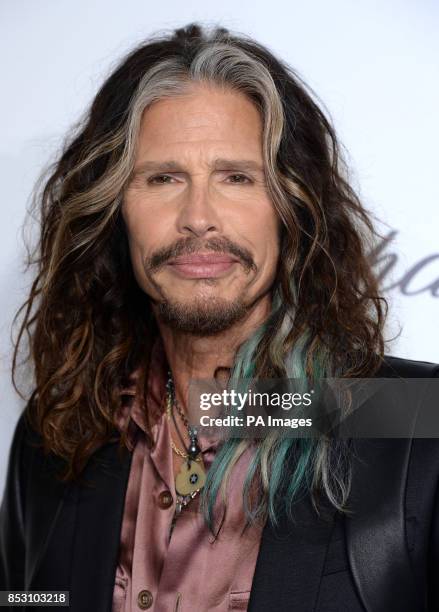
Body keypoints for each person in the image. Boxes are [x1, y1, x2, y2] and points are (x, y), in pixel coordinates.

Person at [0, 23, 438, 612]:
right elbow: (31, 601)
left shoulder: (416, 421)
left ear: (293, 207)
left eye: (236, 177)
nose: (198, 217)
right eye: (163, 178)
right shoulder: (57, 433)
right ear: (113, 211)